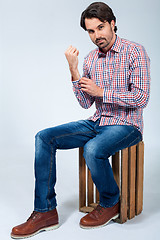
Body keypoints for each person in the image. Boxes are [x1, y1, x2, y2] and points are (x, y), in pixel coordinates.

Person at [11, 1, 150, 238]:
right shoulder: (90, 59)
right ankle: (45, 211)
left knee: (92, 148)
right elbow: (86, 103)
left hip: (127, 124)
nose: (97, 35)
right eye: (91, 31)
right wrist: (74, 71)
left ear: (113, 24)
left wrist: (102, 92)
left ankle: (110, 202)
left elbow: (141, 97)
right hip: (97, 121)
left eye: (101, 27)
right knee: (44, 137)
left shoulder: (135, 51)